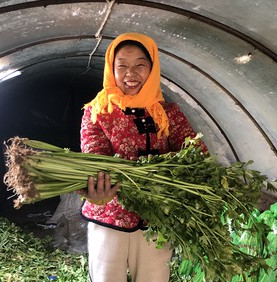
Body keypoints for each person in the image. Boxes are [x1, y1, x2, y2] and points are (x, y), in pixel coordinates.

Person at [77, 32, 205, 282]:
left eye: (140, 65)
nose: (130, 73)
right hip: (109, 215)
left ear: (152, 69)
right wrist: (97, 191)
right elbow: (95, 159)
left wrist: (174, 178)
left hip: (156, 219)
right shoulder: (97, 112)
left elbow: (197, 155)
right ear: (111, 69)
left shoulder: (168, 113)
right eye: (122, 65)